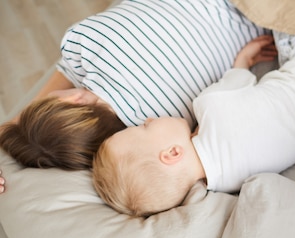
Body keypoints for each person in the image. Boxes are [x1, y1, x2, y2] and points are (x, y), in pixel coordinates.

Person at [92, 32, 295, 216]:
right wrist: (244, 61)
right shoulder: (209, 105)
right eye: (144, 128)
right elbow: (239, 79)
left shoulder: (229, 184)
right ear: (172, 153)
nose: (148, 119)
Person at [0, 0, 271, 175]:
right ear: (75, 98)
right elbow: (66, 68)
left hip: (261, 23)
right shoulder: (87, 40)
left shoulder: (165, 126)